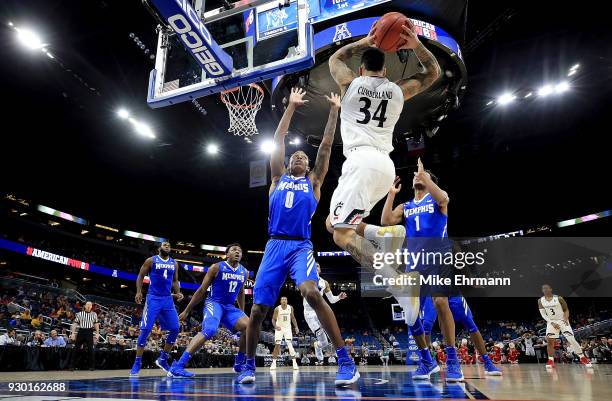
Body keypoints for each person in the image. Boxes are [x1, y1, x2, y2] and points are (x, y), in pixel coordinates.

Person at [236, 89, 359, 386]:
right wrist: (290, 107)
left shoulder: (314, 183)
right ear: (289, 163)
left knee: (311, 292)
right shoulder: (277, 179)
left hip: (300, 245)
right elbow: (277, 141)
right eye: (297, 156)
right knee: (257, 309)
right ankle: (249, 365)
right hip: (274, 245)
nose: (301, 157)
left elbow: (327, 145)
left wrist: (334, 111)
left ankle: (345, 360)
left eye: (305, 156)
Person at [326, 20, 441, 322]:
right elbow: (433, 73)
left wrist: (367, 41)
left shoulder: (349, 85)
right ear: (385, 72)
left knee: (341, 235)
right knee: (332, 222)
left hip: (361, 163)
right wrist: (416, 46)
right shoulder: (398, 91)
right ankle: (383, 233)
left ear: (361, 70)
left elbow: (335, 59)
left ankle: (398, 281)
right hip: (384, 167)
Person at [380, 160, 463, 382]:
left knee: (440, 302)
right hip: (414, 263)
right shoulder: (406, 206)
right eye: (417, 175)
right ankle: (427, 360)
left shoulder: (437, 200)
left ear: (429, 181)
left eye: (423, 175)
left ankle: (453, 360)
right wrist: (390, 194)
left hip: (438, 258)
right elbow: (386, 221)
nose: (417, 176)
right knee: (411, 312)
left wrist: (425, 175)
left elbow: (444, 198)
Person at [168, 244, 249, 378]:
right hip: (214, 303)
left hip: (229, 307)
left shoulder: (244, 272)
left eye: (240, 251)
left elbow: (241, 292)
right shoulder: (216, 267)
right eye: (234, 250)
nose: (237, 252)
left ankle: (239, 364)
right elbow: (201, 291)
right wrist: (187, 310)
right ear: (227, 254)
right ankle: (177, 366)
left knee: (249, 327)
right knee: (210, 330)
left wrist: (242, 312)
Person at [130, 241, 184, 376]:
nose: (167, 246)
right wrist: (138, 291)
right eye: (165, 244)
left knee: (176, 328)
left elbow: (175, 280)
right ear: (159, 248)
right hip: (153, 298)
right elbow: (141, 276)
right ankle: (137, 362)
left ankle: (163, 358)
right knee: (146, 329)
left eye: (169, 245)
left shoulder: (174, 263)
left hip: (167, 299)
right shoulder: (151, 260)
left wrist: (178, 292)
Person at [420, 296, 502, 375]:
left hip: (450, 287)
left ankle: (487, 362)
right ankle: (427, 362)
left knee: (469, 323)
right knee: (426, 324)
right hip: (430, 290)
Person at [303, 263, 348, 366]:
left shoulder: (325, 283)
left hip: (320, 311)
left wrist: (339, 297)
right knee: (322, 338)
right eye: (313, 265)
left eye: (318, 266)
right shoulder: (305, 280)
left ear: (320, 269)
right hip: (309, 313)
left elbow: (331, 300)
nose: (316, 267)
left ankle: (318, 346)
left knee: (327, 341)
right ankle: (320, 357)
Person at [538, 284, 592, 369]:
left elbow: (566, 310)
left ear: (551, 289)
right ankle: (550, 360)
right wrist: (551, 322)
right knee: (550, 341)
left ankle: (582, 357)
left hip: (562, 320)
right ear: (542, 290)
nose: (545, 290)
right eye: (543, 288)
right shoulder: (540, 300)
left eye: (547, 288)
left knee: (571, 339)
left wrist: (565, 320)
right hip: (551, 322)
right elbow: (543, 314)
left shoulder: (559, 298)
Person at [270, 297, 300, 370]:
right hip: (279, 328)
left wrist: (296, 327)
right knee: (277, 345)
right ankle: (273, 363)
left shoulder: (290, 308)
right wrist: (275, 326)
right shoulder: (277, 309)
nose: (284, 301)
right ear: (280, 301)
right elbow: (273, 319)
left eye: (285, 299)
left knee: (290, 344)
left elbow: (293, 318)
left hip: (287, 328)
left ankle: (294, 363)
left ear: (287, 301)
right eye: (282, 300)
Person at [69, 301, 99, 371]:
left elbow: (96, 324)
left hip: (89, 332)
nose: (89, 306)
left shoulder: (94, 314)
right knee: (76, 349)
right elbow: (75, 323)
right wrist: (73, 333)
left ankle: (92, 366)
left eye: (90, 305)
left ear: (92, 307)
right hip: (81, 331)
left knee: (91, 350)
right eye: (87, 305)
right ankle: (72, 366)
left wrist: (97, 333)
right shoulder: (80, 314)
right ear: (85, 306)